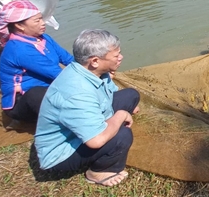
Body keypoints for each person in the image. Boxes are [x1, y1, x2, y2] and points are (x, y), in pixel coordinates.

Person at [35, 29, 140, 187]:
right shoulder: (77, 93)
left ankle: (109, 124)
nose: (121, 57)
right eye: (116, 55)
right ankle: (97, 172)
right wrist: (120, 115)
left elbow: (111, 92)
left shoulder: (93, 70)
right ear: (95, 61)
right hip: (61, 153)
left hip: (87, 118)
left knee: (131, 95)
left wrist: (125, 108)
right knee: (123, 136)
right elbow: (95, 141)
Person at [0, 0, 74, 123]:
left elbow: (67, 58)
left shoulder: (44, 38)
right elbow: (56, 73)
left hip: (48, 88)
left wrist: (89, 69)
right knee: (36, 94)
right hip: (23, 101)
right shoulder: (19, 49)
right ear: (19, 25)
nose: (43, 23)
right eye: (37, 20)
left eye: (41, 18)